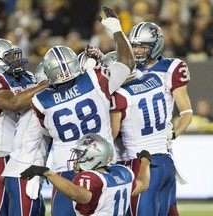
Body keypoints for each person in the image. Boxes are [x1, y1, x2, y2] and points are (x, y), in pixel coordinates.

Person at [30, 5, 135, 216]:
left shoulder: (40, 100)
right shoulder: (95, 79)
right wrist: (115, 28)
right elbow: (127, 62)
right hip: (101, 166)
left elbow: (47, 131)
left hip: (65, 168)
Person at [124, 21, 193, 216]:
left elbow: (186, 113)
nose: (137, 50)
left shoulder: (170, 68)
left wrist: (172, 134)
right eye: (134, 45)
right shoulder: (127, 69)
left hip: (153, 149)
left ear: (157, 45)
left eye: (143, 46)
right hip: (134, 148)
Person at [0, 38, 48, 215]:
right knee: (1, 209)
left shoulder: (27, 76)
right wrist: (46, 84)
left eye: (15, 56)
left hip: (25, 153)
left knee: (32, 207)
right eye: (10, 57)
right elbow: (14, 103)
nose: (16, 60)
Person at [20, 133, 152, 215]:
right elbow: (143, 184)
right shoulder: (122, 174)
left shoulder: (92, 179)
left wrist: (48, 173)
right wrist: (145, 161)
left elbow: (76, 193)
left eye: (80, 155)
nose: (76, 160)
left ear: (93, 158)